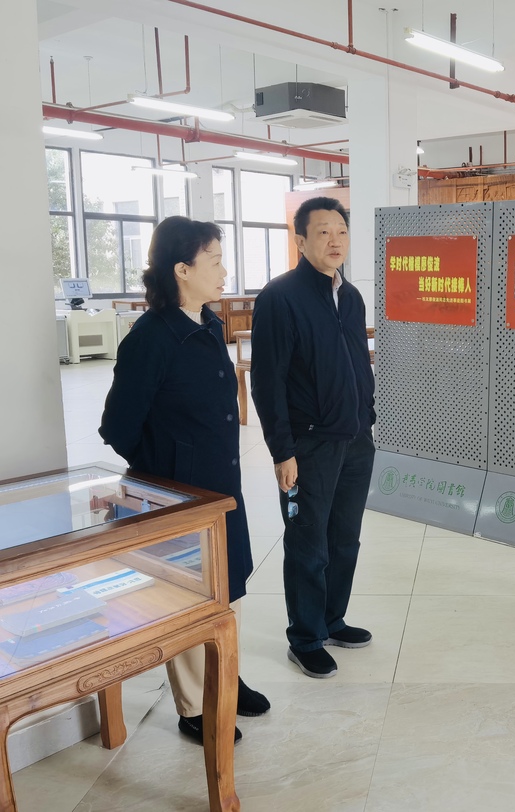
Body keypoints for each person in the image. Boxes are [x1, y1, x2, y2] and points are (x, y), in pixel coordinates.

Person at [99, 216, 269, 742]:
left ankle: (226, 676)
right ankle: (195, 705)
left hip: (220, 487)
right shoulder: (152, 337)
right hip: (179, 496)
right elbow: (118, 427)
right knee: (189, 594)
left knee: (226, 586)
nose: (224, 272)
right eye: (214, 261)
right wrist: (166, 469)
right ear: (182, 269)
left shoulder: (208, 324)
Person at [250, 197, 376, 679]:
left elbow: (356, 363)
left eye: (341, 230)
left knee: (345, 539)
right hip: (308, 444)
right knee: (308, 542)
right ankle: (305, 637)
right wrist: (282, 451)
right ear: (300, 241)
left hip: (355, 438)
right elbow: (268, 381)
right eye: (323, 232)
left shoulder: (351, 296)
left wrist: (366, 416)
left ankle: (332, 619)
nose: (334, 240)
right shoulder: (280, 297)